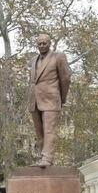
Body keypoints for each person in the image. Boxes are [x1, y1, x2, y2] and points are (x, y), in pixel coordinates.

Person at [28, 33, 71, 168]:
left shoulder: (58, 57)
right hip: (34, 100)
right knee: (39, 132)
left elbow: (66, 78)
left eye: (44, 43)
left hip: (51, 98)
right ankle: (42, 157)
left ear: (49, 43)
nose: (42, 45)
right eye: (39, 43)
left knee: (49, 130)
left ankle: (48, 158)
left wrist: (62, 97)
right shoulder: (33, 60)